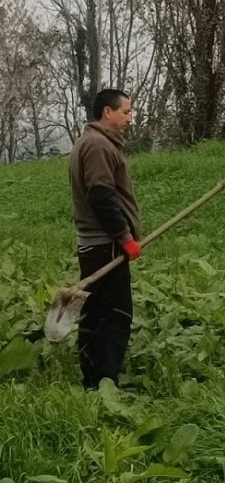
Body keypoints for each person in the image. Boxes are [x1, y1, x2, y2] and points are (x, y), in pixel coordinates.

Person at [69, 88, 141, 388]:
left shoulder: (92, 141)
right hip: (105, 245)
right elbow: (101, 196)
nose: (130, 118)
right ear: (107, 112)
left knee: (95, 312)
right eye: (125, 112)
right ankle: (105, 382)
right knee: (116, 314)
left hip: (95, 244)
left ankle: (92, 379)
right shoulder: (98, 145)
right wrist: (125, 238)